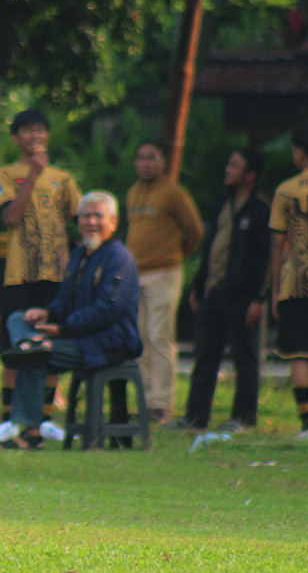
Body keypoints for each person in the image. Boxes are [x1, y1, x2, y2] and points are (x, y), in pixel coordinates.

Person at [0, 191, 141, 449]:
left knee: (38, 355)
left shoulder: (118, 258)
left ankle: (30, 433)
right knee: (18, 318)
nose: (91, 222)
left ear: (114, 222)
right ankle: (29, 345)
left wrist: (62, 330)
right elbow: (65, 301)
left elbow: (107, 311)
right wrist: (47, 314)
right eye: (86, 216)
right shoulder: (80, 255)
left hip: (106, 342)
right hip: (77, 336)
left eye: (98, 216)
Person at [0, 110, 81, 447]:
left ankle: (45, 418)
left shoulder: (63, 180)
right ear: (16, 137)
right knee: (13, 346)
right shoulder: (6, 173)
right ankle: (9, 418)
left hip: (56, 274)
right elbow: (10, 216)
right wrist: (34, 175)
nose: (34, 135)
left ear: (47, 136)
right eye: (27, 130)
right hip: (19, 274)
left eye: (40, 129)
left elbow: (82, 223)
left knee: (48, 342)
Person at [166, 148, 270, 433]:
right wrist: (198, 286)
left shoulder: (260, 210)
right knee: (205, 355)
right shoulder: (223, 202)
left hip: (243, 296)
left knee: (245, 358)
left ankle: (243, 417)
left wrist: (259, 299)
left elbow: (266, 259)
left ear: (250, 175)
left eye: (234, 165)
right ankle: (195, 417)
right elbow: (212, 247)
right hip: (213, 292)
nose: (227, 169)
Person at [125, 139, 203, 423]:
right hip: (136, 274)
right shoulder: (133, 192)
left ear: (163, 162)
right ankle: (145, 399)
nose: (145, 163)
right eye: (141, 158)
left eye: (151, 158)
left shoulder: (173, 193)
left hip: (165, 273)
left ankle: (162, 403)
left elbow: (195, 230)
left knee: (160, 336)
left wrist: (176, 255)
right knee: (140, 337)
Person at [268, 121, 308, 440]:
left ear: (300, 153)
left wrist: (276, 288)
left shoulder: (287, 190)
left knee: (300, 356)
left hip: (299, 283)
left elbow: (278, 242)